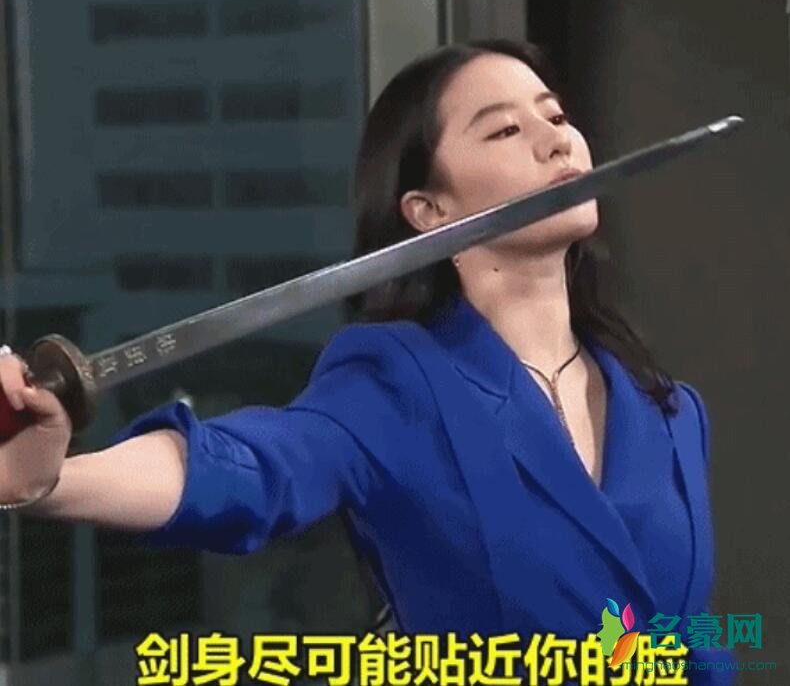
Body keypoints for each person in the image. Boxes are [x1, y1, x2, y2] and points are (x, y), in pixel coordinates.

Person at [0, 40, 733, 684]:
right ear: (429, 211)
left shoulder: (668, 410)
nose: (557, 141)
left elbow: (687, 648)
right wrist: (48, 481)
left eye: (557, 115)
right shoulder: (398, 381)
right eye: (506, 129)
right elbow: (252, 467)